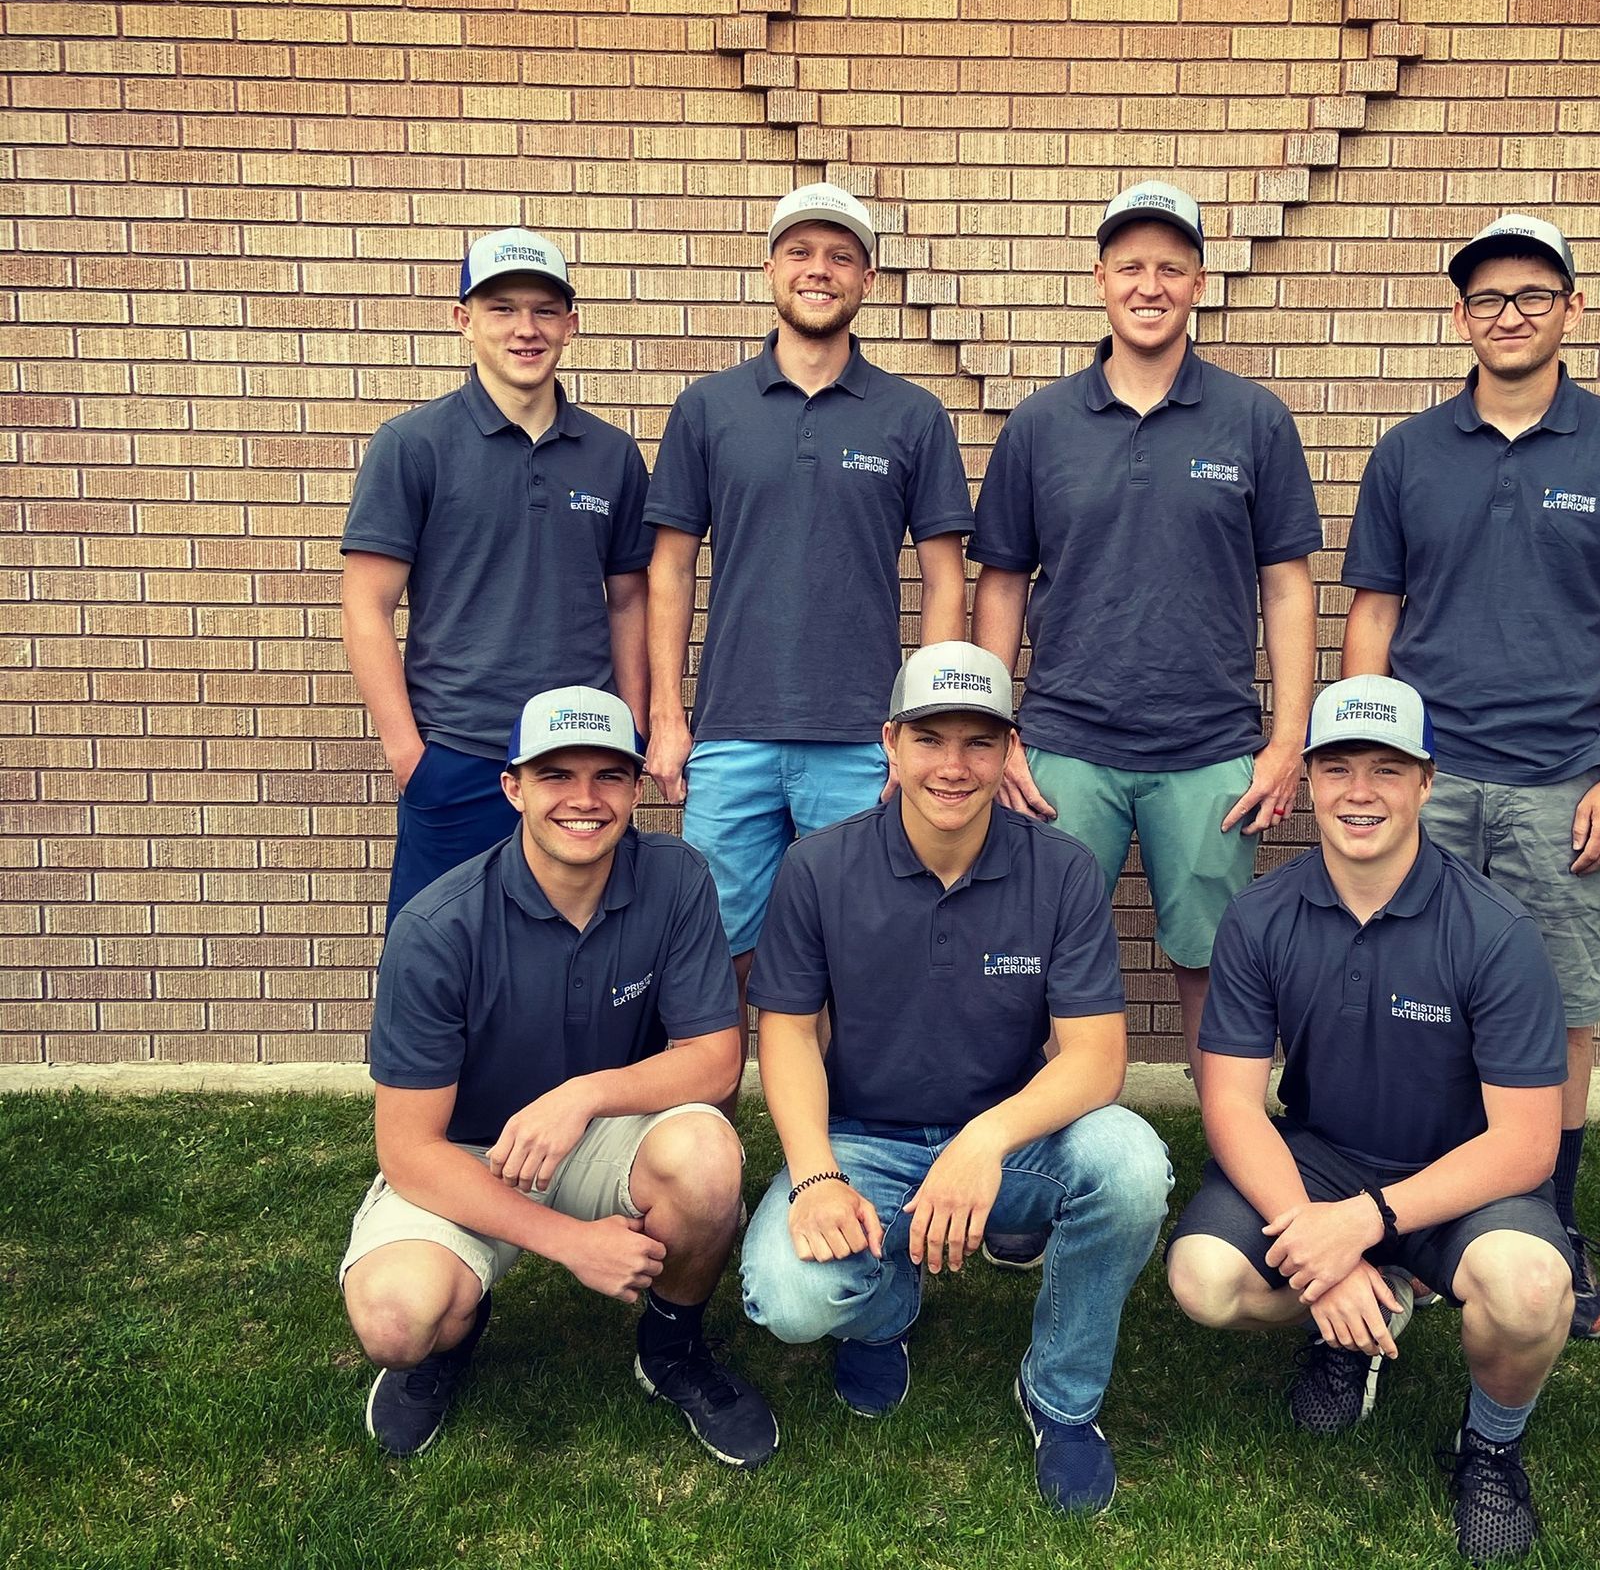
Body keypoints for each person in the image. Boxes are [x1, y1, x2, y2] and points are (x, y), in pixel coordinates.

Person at [1341, 213, 1600, 1339]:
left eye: (1532, 296)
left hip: (1562, 784)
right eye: (1488, 299)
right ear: (1461, 318)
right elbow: (1374, 613)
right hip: (1429, 785)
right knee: (1397, 1002)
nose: (1509, 315)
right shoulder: (1408, 453)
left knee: (1560, 1011)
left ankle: (1549, 1219)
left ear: (1571, 309)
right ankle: (1401, 1220)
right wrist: (1368, 763)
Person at [737, 642, 1172, 1515]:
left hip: (1009, 1146)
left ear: (1011, 752)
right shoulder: (819, 868)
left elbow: (1096, 1057)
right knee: (786, 1295)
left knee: (1131, 1166)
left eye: (980, 742)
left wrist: (986, 1138)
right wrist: (818, 1175)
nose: (954, 765)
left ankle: (1061, 1398)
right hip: (866, 1143)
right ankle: (887, 1310)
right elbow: (783, 1033)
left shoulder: (1062, 870)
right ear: (890, 744)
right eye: (931, 738)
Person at [1166, 675, 1574, 1565]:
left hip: (1454, 1180)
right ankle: (1356, 1317)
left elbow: (1527, 1143)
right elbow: (1230, 1099)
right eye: (1339, 766)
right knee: (1202, 1278)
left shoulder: (1495, 932)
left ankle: (1490, 1449)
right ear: (1308, 780)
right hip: (1319, 1160)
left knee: (1533, 1292)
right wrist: (1326, 1257)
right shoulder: (1261, 916)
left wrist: (1363, 1226)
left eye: (1388, 769)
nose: (1361, 792)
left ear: (1427, 783)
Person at [339, 685, 777, 1471]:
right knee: (395, 1322)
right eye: (556, 775)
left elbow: (714, 1061)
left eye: (608, 775)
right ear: (513, 788)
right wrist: (569, 1242)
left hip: (606, 1136)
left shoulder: (675, 879)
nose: (584, 799)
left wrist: (583, 1096)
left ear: (637, 789)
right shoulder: (438, 927)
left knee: (708, 1161)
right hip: (470, 1153)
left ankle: (672, 1350)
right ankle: (454, 1335)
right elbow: (408, 1149)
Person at [971, 180, 1321, 1093]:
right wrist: (999, 729)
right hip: (1064, 745)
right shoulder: (1042, 424)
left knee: (1215, 964)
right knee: (1040, 963)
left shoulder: (1254, 419)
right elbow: (1001, 582)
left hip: (1208, 748)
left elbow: (1287, 584)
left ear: (1200, 282)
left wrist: (1288, 740)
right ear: (1100, 279)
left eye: (1171, 266)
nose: (1150, 284)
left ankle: (1234, 1173)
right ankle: (1044, 1170)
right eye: (1131, 266)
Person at [644, 182, 974, 1051]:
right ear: (770, 270)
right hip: (732, 731)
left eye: (839, 256)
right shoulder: (707, 409)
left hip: (860, 734)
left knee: (858, 943)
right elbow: (669, 568)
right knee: (718, 946)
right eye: (800, 252)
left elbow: (946, 579)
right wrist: (669, 717)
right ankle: (707, 1120)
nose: (818, 271)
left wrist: (924, 728)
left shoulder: (913, 416)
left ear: (866, 277)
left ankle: (845, 1124)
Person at [341, 228, 652, 922]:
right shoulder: (412, 446)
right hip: (457, 754)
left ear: (571, 325)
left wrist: (628, 734)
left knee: (584, 958)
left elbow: (630, 602)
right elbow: (366, 606)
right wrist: (407, 756)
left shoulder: (612, 455)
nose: (525, 329)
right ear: (465, 320)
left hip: (580, 759)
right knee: (438, 968)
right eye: (502, 308)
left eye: (544, 310)